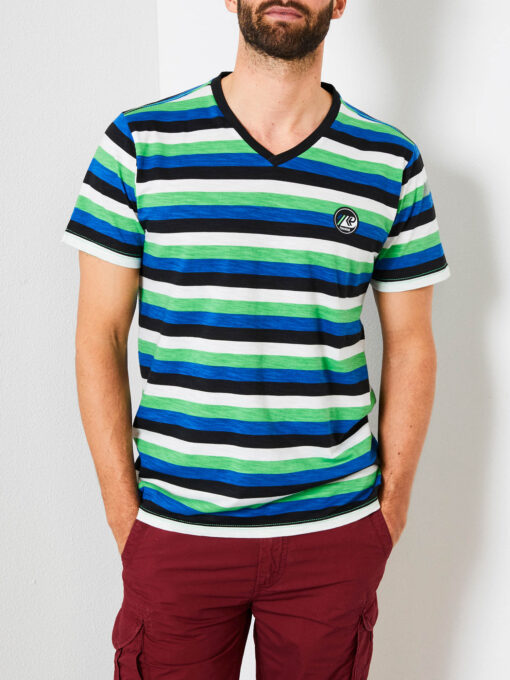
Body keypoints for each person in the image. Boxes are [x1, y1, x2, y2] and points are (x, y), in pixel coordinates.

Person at [61, 1, 451, 677]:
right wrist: (128, 518)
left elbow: (412, 342)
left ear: (339, 1)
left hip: (332, 536)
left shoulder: (389, 161)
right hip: (177, 532)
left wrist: (389, 512)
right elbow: (100, 334)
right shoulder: (140, 144)